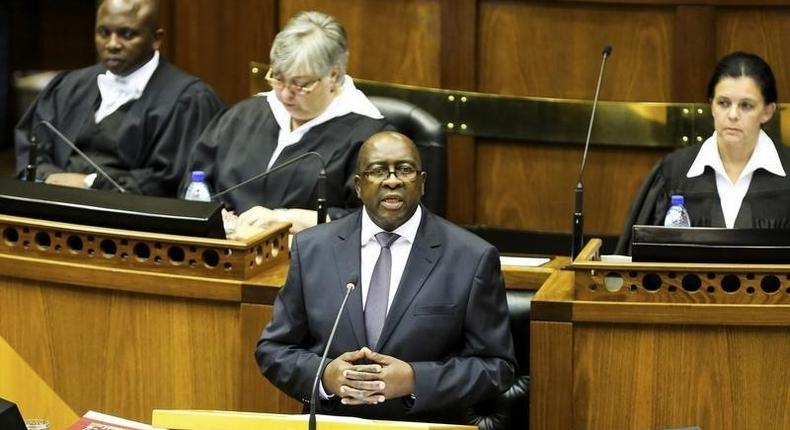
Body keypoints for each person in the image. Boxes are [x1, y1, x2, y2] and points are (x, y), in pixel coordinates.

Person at [255, 131, 515, 424]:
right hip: (334, 422)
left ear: (423, 182)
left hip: (423, 423)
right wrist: (325, 376)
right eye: (377, 171)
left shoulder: (471, 257)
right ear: (358, 185)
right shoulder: (313, 248)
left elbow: (496, 367)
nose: (392, 180)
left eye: (404, 170)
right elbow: (274, 350)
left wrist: (415, 380)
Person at [183, 11, 388, 236]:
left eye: (299, 84)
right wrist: (211, 214)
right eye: (278, 78)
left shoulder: (371, 140)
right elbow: (195, 180)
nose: (285, 94)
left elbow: (375, 220)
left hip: (306, 261)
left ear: (333, 75)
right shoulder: (244, 114)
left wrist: (286, 219)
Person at [14, 0, 224, 196]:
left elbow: (170, 180)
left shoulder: (188, 99)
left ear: (156, 39)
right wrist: (49, 178)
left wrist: (90, 183)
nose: (112, 44)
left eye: (127, 34)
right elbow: (33, 150)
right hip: (56, 209)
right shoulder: (69, 86)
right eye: (103, 33)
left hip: (133, 223)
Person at [616, 51, 790, 253]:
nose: (733, 115)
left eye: (746, 105)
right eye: (723, 103)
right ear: (712, 106)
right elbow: (635, 260)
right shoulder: (673, 173)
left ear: (768, 111)